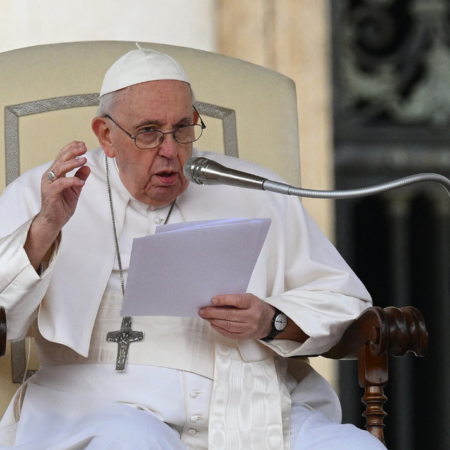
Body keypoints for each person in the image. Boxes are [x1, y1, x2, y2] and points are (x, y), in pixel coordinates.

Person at [0, 47, 385, 450]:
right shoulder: (44, 192)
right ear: (106, 136)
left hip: (249, 407)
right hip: (96, 406)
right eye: (148, 132)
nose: (171, 151)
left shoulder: (255, 189)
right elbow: (4, 315)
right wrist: (45, 229)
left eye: (183, 129)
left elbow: (343, 302)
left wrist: (270, 321)